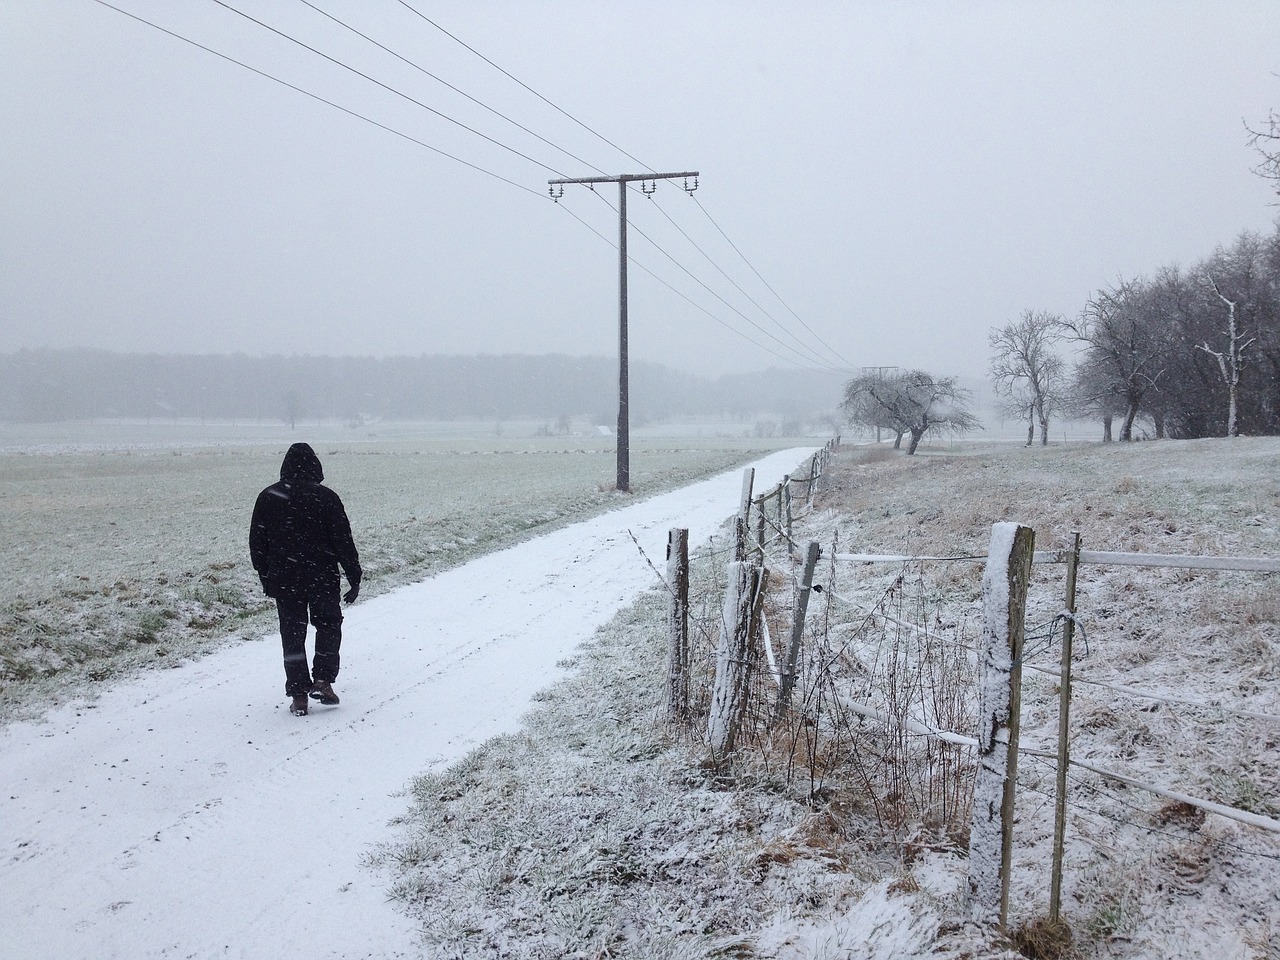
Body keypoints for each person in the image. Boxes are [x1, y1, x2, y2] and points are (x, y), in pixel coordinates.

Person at [250, 442, 362, 717]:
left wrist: (265, 575)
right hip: (322, 576)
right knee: (328, 626)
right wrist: (353, 574)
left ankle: (299, 694)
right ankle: (323, 680)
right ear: (316, 467)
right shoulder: (326, 498)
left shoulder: (268, 497)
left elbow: (257, 542)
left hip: (285, 578)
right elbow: (342, 540)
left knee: (292, 634)